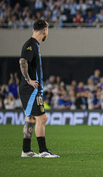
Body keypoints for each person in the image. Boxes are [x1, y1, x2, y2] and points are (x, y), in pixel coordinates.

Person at [19, 19, 59, 158]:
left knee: (31, 118)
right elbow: (23, 61)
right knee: (42, 118)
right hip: (31, 90)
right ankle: (43, 151)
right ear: (45, 31)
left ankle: (26, 150)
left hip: (29, 89)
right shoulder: (31, 45)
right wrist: (29, 80)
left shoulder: (33, 44)